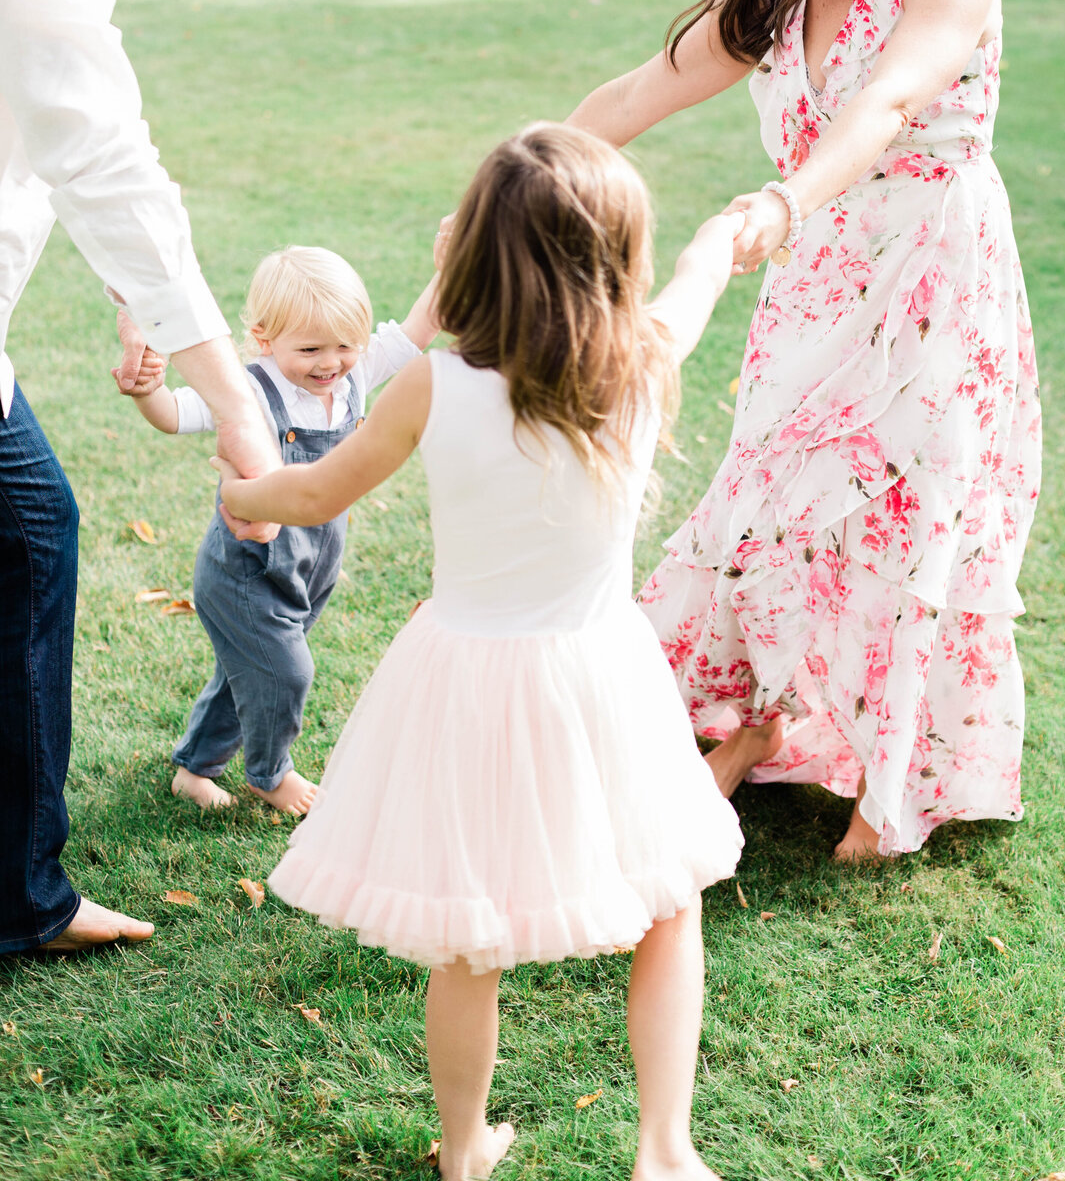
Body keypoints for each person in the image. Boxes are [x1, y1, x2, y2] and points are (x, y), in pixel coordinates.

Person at [215, 125, 744, 1181]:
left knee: (467, 937)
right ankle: (664, 1147)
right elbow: (697, 282)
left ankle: (464, 1152)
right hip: (598, 673)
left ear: (474, 257)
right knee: (668, 903)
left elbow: (317, 491)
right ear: (617, 260)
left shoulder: (434, 385)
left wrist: (244, 496)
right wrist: (727, 235)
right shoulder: (640, 368)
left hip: (461, 675)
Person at [568, 0, 1041, 862]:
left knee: (908, 510)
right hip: (816, 275)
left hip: (932, 267)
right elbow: (642, 89)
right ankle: (751, 722)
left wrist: (784, 199)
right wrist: (512, 180)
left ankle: (892, 790)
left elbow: (891, 96)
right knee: (763, 503)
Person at [0, 0, 327, 954]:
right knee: (28, 536)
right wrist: (244, 422)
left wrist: (138, 293)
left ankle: (23, 898)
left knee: (29, 538)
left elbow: (61, 125)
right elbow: (100, 147)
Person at [121, 246, 438, 816]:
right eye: (311, 349)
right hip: (246, 573)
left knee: (246, 674)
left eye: (346, 345)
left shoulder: (353, 376)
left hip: (310, 571)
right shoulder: (245, 391)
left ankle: (194, 768)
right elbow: (175, 414)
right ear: (264, 338)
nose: (331, 363)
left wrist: (450, 264)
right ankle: (270, 773)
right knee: (286, 673)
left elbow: (420, 328)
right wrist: (148, 390)